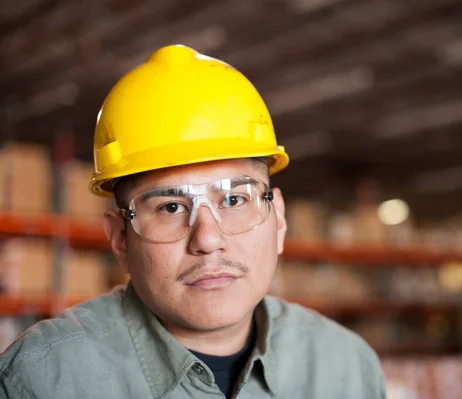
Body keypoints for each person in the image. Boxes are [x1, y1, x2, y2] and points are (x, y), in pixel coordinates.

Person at [0, 45, 386, 398]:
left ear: (279, 219)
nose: (207, 239)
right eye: (169, 208)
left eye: (234, 199)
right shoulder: (41, 379)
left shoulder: (346, 367)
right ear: (119, 239)